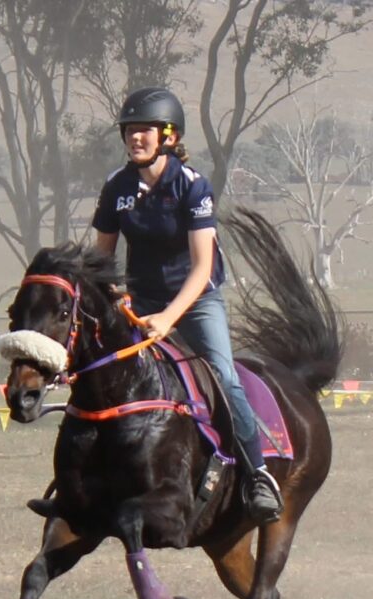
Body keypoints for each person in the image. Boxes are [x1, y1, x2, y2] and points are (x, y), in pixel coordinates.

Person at [92, 86, 283, 523]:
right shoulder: (116, 186)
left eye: (145, 130)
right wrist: (113, 293)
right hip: (140, 297)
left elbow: (202, 268)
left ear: (170, 136)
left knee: (223, 374)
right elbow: (101, 257)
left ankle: (258, 476)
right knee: (103, 367)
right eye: (129, 131)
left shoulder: (193, 187)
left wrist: (167, 319)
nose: (135, 138)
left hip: (195, 300)